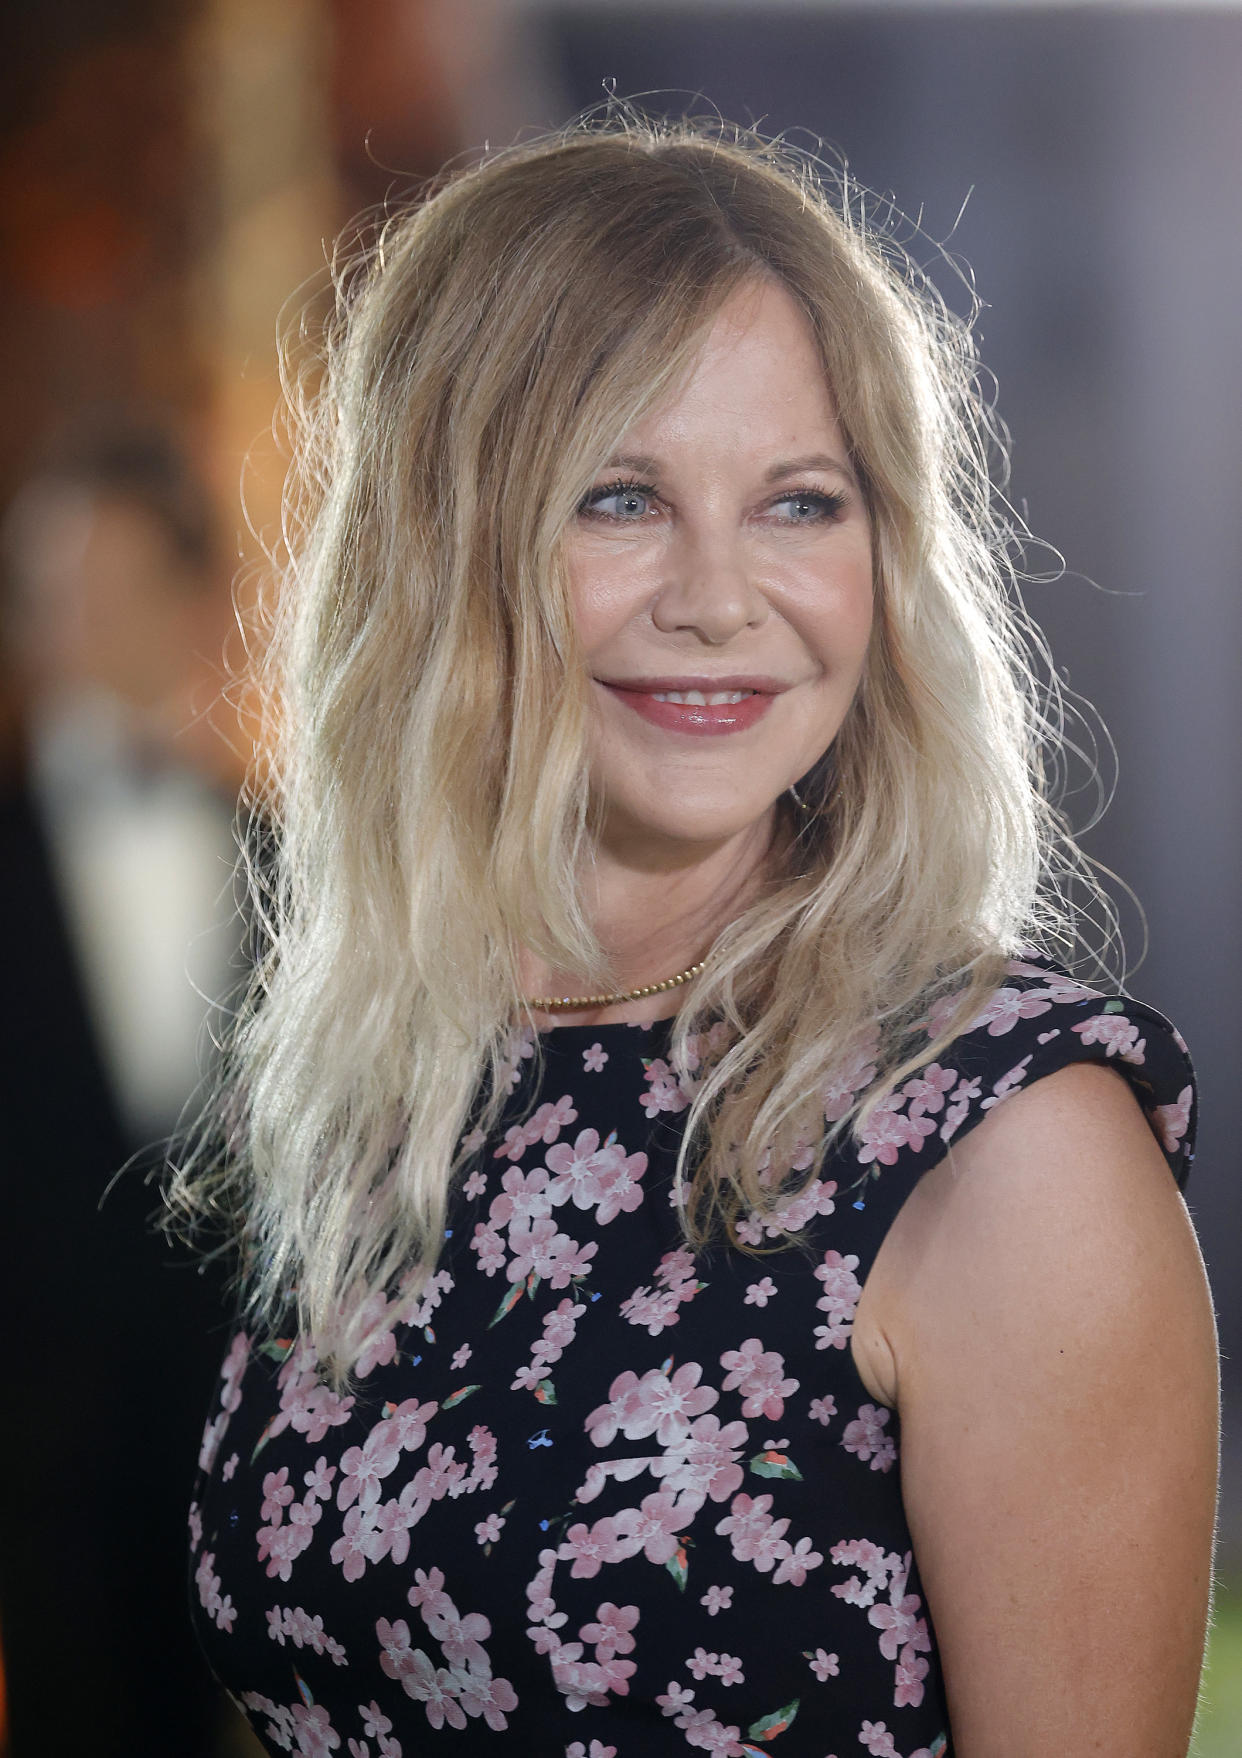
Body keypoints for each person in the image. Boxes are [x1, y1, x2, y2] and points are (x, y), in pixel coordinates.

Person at [173, 116, 1219, 1757]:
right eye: (621, 496)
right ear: (441, 543)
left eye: (800, 502)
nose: (720, 596)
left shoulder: (1004, 1141)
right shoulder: (381, 1082)